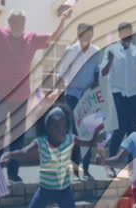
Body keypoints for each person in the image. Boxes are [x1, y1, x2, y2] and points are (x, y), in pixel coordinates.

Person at [0, 0, 72, 184]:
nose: (21, 25)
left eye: (23, 22)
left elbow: (53, 37)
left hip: (21, 96)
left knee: (17, 135)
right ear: (10, 22)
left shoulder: (31, 38)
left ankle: (13, 173)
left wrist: (63, 19)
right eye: (18, 22)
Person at [0, 104, 103, 208]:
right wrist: (8, 154)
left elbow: (91, 143)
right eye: (56, 127)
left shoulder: (70, 139)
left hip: (64, 190)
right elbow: (24, 152)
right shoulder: (41, 142)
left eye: (64, 127)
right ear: (48, 128)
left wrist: (97, 131)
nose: (61, 130)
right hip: (45, 190)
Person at [100, 22, 136, 177]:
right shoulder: (111, 50)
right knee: (119, 129)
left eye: (130, 33)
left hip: (135, 94)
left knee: (133, 130)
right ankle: (110, 165)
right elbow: (104, 73)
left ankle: (134, 166)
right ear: (120, 34)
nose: (128, 36)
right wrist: (111, 60)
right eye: (125, 33)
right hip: (118, 93)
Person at [54, 23, 100, 180]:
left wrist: (96, 87)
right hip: (72, 96)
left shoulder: (96, 51)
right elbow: (61, 75)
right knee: (73, 133)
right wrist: (57, 96)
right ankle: (74, 169)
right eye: (83, 33)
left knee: (88, 131)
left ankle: (85, 170)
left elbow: (97, 74)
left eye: (89, 33)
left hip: (89, 99)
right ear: (78, 33)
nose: (86, 35)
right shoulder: (70, 51)